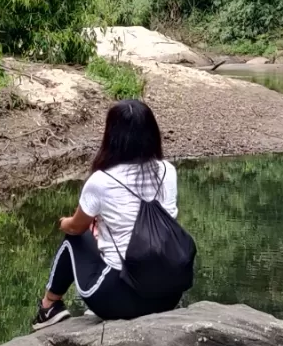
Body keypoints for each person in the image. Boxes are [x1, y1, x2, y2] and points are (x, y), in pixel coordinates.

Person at [33, 97, 185, 326]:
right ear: (152, 134)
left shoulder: (101, 181)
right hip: (169, 296)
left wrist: (63, 222)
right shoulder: (168, 171)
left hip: (119, 301)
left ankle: (49, 306)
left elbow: (76, 227)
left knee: (75, 238)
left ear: (111, 136)